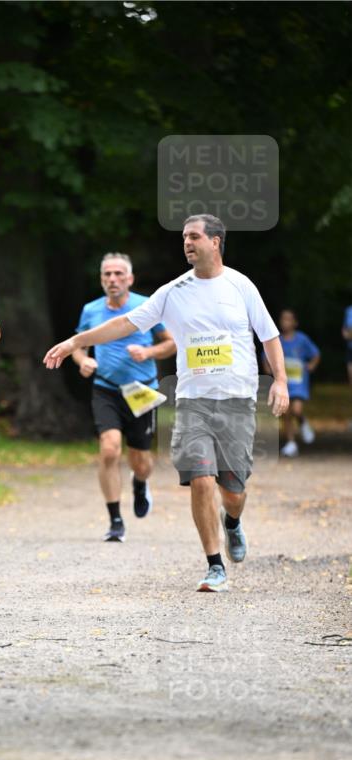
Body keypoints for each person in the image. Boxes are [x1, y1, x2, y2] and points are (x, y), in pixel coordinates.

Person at [44, 214, 289, 593]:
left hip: (236, 400)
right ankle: (214, 565)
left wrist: (281, 382)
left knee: (233, 492)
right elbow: (125, 324)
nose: (187, 242)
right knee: (200, 480)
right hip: (192, 402)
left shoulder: (241, 286)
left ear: (215, 242)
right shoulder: (173, 291)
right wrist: (77, 341)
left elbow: (269, 336)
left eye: (194, 236)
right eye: (184, 237)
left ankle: (232, 522)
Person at [72, 252, 175, 541]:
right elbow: (78, 345)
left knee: (140, 461)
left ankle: (140, 483)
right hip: (106, 388)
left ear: (130, 279)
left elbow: (171, 343)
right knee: (109, 449)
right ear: (101, 279)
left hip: (141, 390)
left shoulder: (146, 306)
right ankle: (115, 520)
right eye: (107, 274)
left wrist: (148, 352)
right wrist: (83, 360)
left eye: (118, 274)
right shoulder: (91, 310)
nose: (113, 279)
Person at [264, 309, 320, 457]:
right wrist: (267, 368)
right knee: (286, 413)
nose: (285, 322)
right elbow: (266, 355)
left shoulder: (302, 339)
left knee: (296, 410)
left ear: (295, 322)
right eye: (283, 319)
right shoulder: (276, 340)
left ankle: (303, 422)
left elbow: (316, 354)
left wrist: (312, 365)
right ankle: (291, 443)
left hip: (299, 383)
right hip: (284, 384)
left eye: (289, 319)